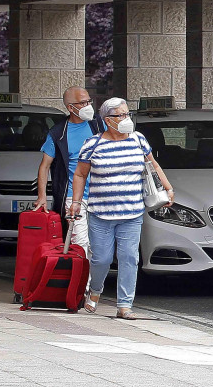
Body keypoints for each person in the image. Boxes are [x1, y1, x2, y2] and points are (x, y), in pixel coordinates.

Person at [70, 97, 174, 319]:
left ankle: (125, 305)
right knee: (101, 259)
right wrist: (76, 202)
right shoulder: (93, 144)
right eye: (121, 115)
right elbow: (80, 174)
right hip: (100, 213)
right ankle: (95, 291)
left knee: (129, 258)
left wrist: (167, 188)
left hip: (132, 212)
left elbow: (152, 165)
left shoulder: (138, 140)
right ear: (108, 120)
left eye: (127, 114)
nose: (126, 119)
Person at [35, 87, 102, 268]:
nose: (88, 105)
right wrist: (42, 197)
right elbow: (44, 166)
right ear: (71, 108)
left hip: (102, 196)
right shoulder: (58, 133)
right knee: (80, 244)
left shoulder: (99, 125)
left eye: (89, 101)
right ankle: (82, 290)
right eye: (83, 103)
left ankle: (92, 290)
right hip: (74, 198)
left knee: (99, 247)